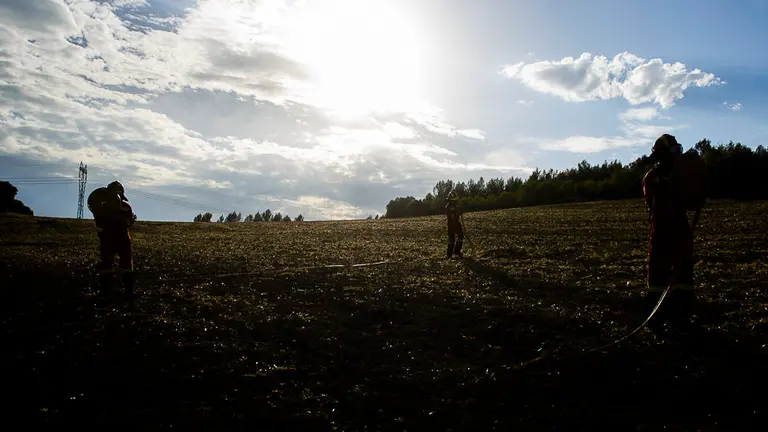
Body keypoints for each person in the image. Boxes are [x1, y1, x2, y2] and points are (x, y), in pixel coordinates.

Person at [641, 134, 697, 327]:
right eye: (673, 151)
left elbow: (692, 199)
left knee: (683, 271)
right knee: (658, 270)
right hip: (662, 229)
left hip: (679, 228)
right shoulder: (653, 178)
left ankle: (682, 313)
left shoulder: (682, 174)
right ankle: (657, 312)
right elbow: (656, 203)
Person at [87, 180, 136, 298]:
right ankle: (129, 291)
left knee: (106, 264)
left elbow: (98, 221)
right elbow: (128, 222)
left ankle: (105, 291)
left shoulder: (100, 206)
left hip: (106, 238)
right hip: (123, 237)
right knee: (126, 264)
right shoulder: (126, 207)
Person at [445, 190, 464, 258]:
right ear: (450, 200)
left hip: (457, 223)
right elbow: (453, 214)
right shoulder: (449, 206)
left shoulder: (455, 205)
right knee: (451, 239)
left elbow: (458, 211)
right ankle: (449, 255)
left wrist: (460, 210)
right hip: (451, 225)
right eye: (453, 200)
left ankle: (457, 251)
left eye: (456, 200)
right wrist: (458, 211)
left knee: (461, 236)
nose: (455, 202)